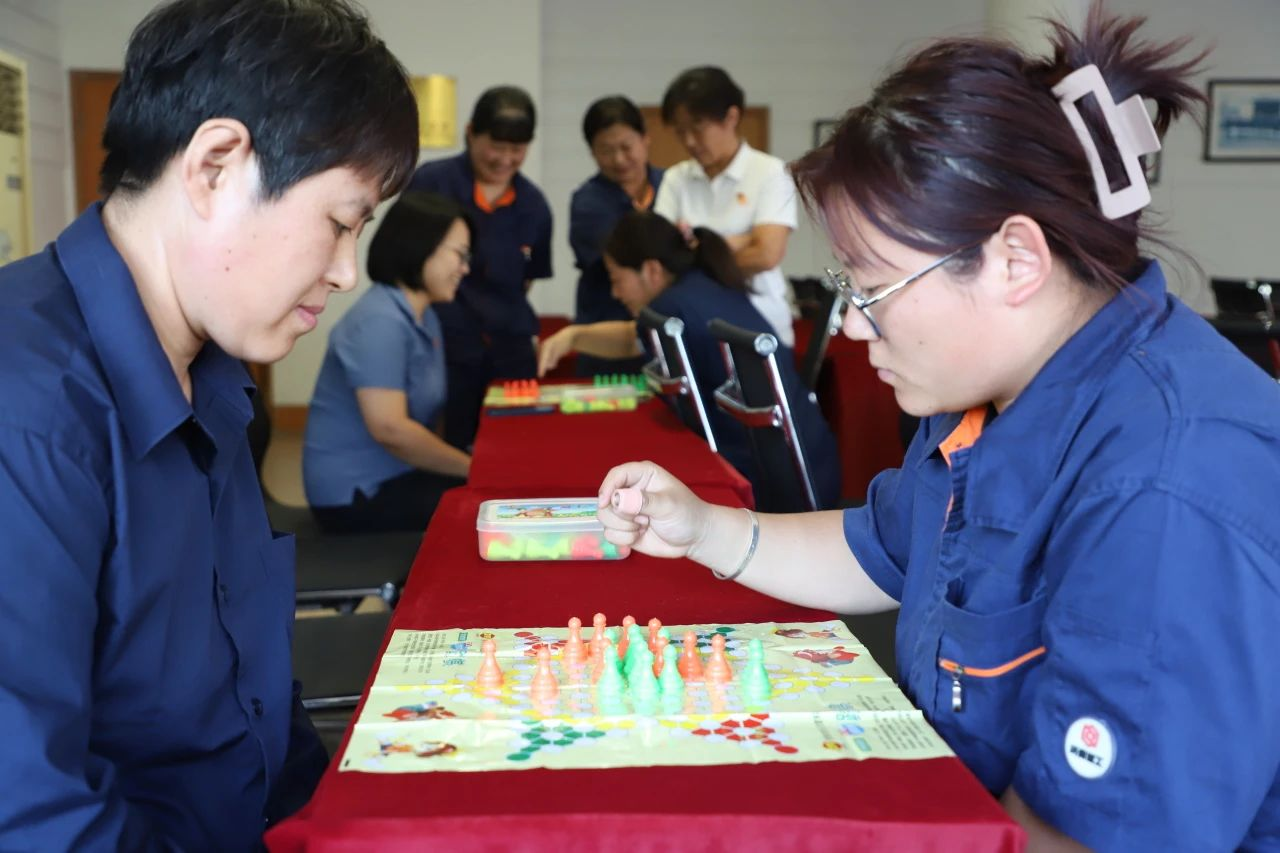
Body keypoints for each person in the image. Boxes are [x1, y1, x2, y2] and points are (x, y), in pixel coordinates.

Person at [594, 7, 1280, 851]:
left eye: (873, 289)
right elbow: (881, 546)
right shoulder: (989, 395)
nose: (853, 325)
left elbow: (1089, 836)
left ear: (1015, 261)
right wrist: (704, 528)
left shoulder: (1168, 489)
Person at [0, 0, 417, 848]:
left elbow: (252, 701)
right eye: (340, 222)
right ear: (216, 165)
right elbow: (32, 812)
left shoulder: (214, 375)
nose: (346, 271)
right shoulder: (28, 411)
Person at [540, 211, 839, 508]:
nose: (616, 293)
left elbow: (633, 338)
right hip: (806, 465)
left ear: (651, 270)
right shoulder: (704, 286)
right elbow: (633, 338)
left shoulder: (671, 308)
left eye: (617, 279)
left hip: (761, 482)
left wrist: (574, 336)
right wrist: (574, 336)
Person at [303, 192, 472, 533]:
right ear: (421, 246)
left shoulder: (425, 316)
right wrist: (473, 467)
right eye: (460, 254)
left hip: (398, 475)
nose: (465, 268)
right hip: (355, 494)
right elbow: (390, 429)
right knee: (480, 506)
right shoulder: (380, 320)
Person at [408, 86, 553, 449]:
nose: (505, 159)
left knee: (516, 445)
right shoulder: (432, 183)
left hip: (510, 349)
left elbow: (527, 279)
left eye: (517, 149)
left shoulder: (533, 205)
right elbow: (408, 261)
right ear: (471, 133)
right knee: (450, 447)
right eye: (496, 146)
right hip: (445, 342)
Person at [655, 66, 797, 347]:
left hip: (762, 328)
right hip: (695, 327)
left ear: (731, 117)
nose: (689, 141)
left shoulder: (770, 172)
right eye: (681, 132)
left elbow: (766, 254)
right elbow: (661, 257)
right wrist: (739, 241)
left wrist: (695, 255)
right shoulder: (676, 178)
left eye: (698, 127)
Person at [568, 95, 663, 376]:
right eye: (606, 150)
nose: (619, 159)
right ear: (592, 152)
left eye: (626, 147)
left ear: (645, 139)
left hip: (667, 330)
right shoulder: (587, 202)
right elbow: (628, 257)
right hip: (607, 332)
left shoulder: (673, 186)